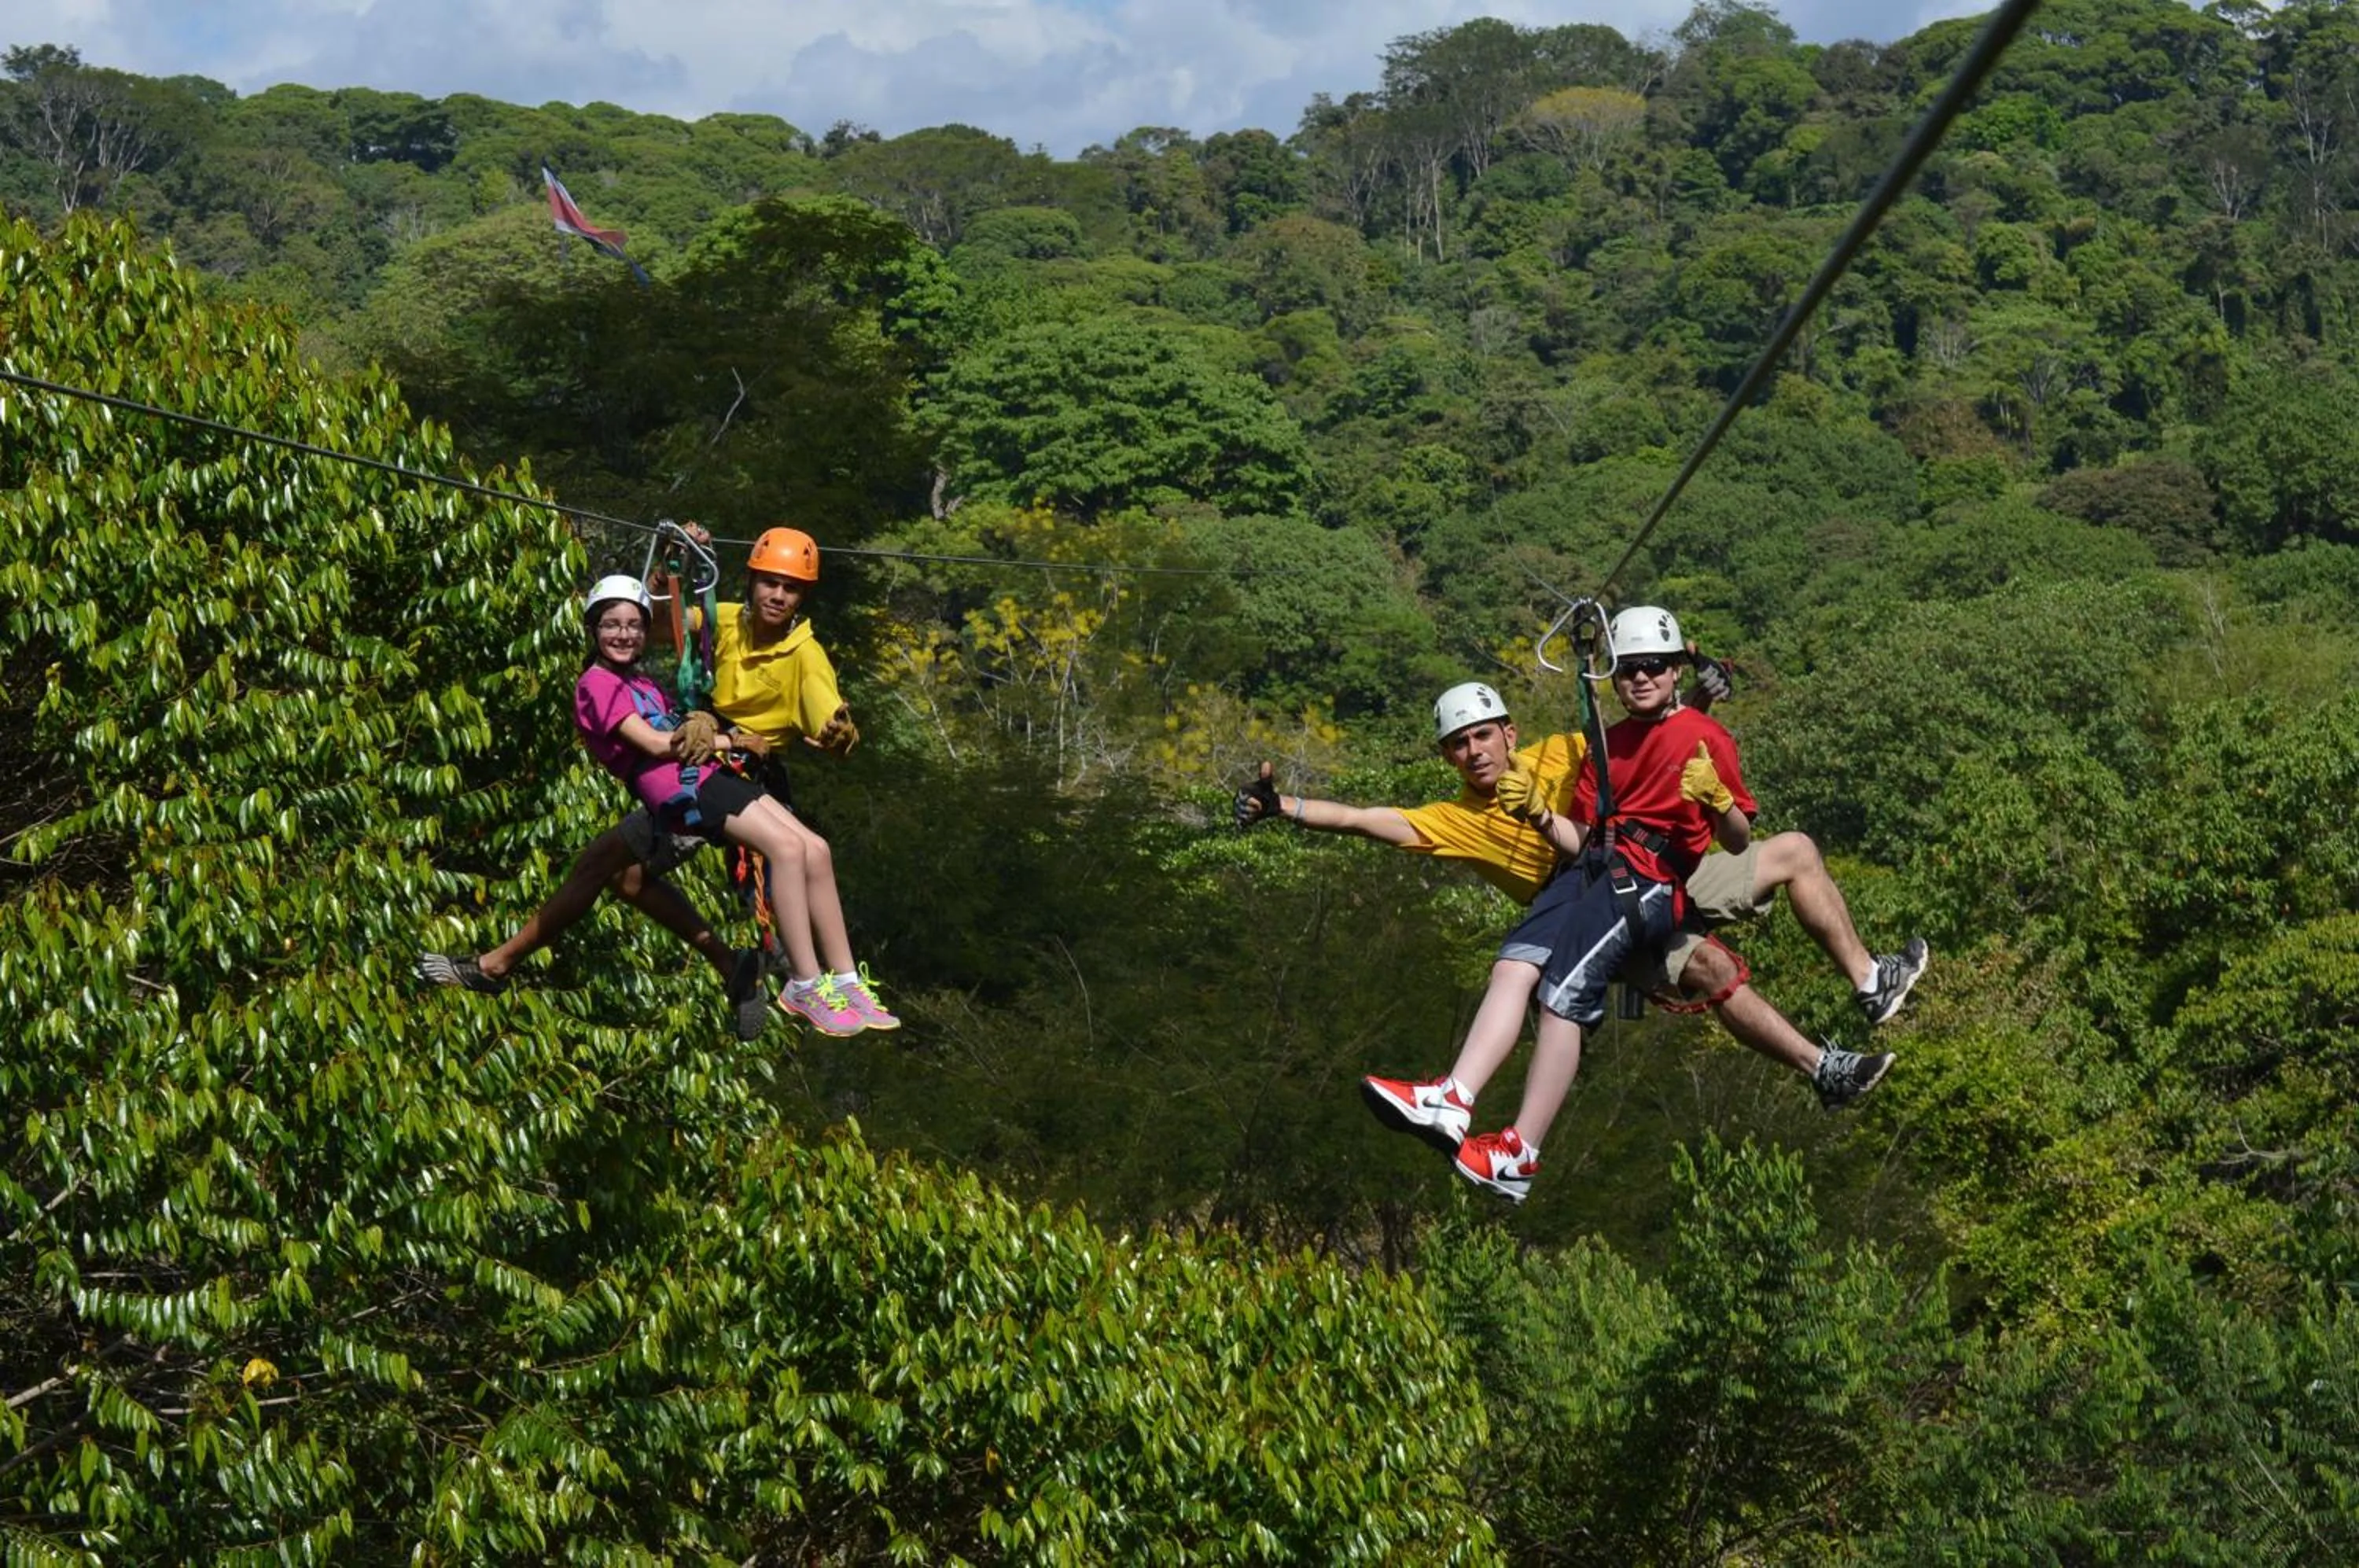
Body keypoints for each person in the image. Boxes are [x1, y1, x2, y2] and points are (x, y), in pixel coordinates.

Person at [419, 537, 895, 1036]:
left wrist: (829, 729)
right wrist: (669, 565)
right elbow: (658, 636)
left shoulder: (789, 656)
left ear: (802, 599)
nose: (777, 596)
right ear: (751, 584)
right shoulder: (706, 632)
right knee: (613, 869)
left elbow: (821, 704)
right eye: (769, 583)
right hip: (696, 774)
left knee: (794, 850)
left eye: (789, 588)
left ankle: (805, 976)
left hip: (719, 772)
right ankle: (741, 965)